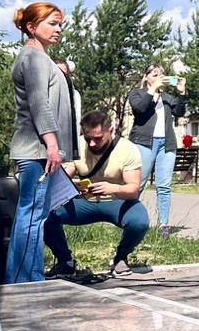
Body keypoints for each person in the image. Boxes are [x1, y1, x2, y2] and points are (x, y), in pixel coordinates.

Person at [6, 3, 77, 283]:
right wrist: (52, 145)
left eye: (60, 24)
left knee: (35, 216)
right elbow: (39, 104)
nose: (58, 29)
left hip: (41, 150)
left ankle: (28, 277)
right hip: (37, 151)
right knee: (32, 216)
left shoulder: (40, 58)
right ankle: (24, 281)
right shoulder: (33, 58)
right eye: (52, 23)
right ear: (32, 27)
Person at [44, 110, 151, 276]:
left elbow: (133, 190)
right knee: (43, 215)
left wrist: (113, 188)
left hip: (118, 201)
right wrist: (70, 183)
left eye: (98, 138)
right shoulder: (77, 145)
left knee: (140, 221)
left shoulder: (128, 149)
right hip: (84, 202)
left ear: (111, 131)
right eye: (88, 139)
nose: (92, 144)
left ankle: (121, 258)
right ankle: (65, 261)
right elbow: (65, 174)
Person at [128, 64, 187, 237]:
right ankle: (129, 220)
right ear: (146, 77)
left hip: (166, 144)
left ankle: (164, 225)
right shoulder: (137, 94)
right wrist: (152, 89)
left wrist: (182, 93)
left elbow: (180, 112)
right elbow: (140, 109)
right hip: (144, 143)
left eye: (162, 74)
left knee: (164, 185)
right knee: (138, 184)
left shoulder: (167, 97)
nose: (159, 77)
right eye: (155, 75)